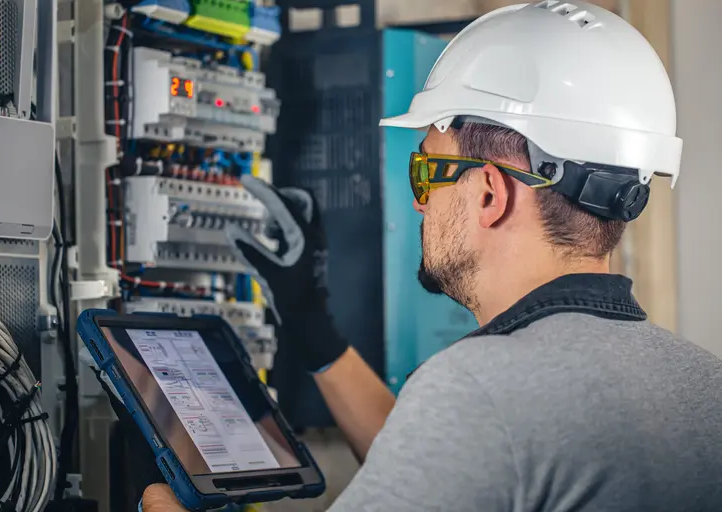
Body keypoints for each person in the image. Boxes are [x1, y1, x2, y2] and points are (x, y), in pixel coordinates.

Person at [142, 2, 722, 511]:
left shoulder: (480, 387)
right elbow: (450, 468)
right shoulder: (702, 383)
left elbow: (478, 429)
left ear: (491, 193)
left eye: (425, 172)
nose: (419, 206)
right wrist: (311, 323)